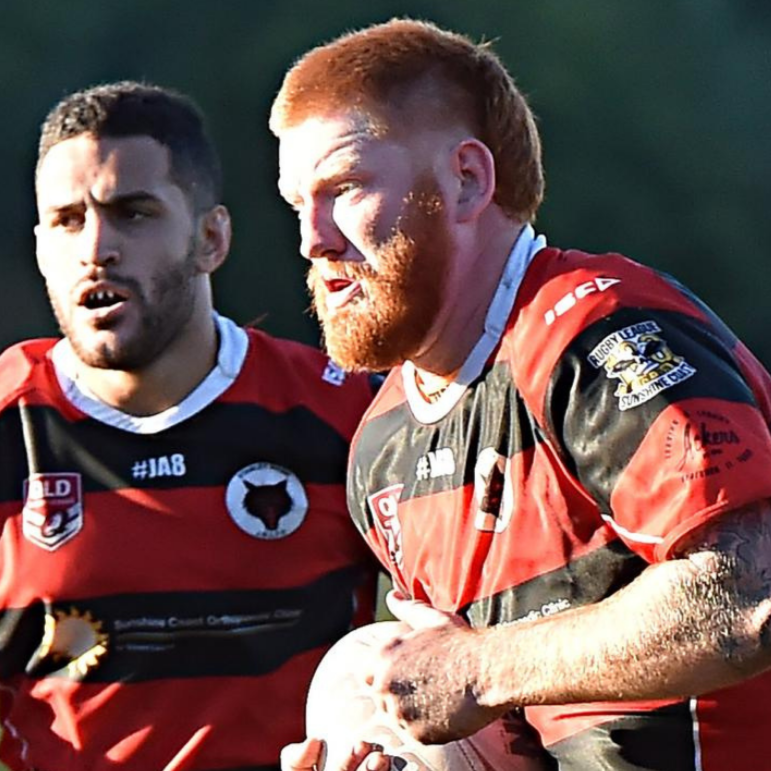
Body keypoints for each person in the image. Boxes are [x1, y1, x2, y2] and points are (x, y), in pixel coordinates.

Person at [269, 18, 771, 771]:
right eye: (295, 203)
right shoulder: (383, 444)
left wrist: (479, 668)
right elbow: (499, 723)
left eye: (344, 188)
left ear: (467, 180)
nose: (313, 239)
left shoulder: (598, 337)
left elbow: (749, 595)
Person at [0, 80, 381, 771]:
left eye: (132, 213)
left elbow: (442, 639)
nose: (96, 248)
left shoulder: (345, 415)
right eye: (66, 221)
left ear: (211, 238)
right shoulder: (8, 427)